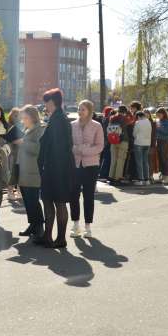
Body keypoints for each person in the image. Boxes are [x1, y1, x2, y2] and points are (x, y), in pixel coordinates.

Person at [37, 88, 74, 248]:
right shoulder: (58, 118)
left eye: (46, 103)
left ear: (52, 103)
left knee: (56, 202)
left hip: (56, 169)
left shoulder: (58, 120)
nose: (45, 106)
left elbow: (57, 147)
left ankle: (59, 238)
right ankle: (49, 236)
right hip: (58, 168)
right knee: (52, 201)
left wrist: (48, 167)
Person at [69, 100, 103, 237]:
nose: (80, 111)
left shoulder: (97, 126)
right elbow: (68, 144)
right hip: (75, 165)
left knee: (88, 196)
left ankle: (88, 226)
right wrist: (76, 149)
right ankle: (76, 224)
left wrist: (83, 150)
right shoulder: (72, 125)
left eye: (83, 109)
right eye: (79, 109)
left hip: (91, 165)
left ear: (89, 110)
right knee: (73, 195)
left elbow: (100, 146)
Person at [17, 105, 45, 239]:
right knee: (27, 201)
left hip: (33, 172)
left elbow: (39, 149)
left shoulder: (40, 129)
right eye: (22, 118)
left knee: (33, 201)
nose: (23, 120)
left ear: (33, 117)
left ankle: (39, 227)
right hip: (23, 171)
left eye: (25, 117)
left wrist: (23, 143)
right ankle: (32, 224)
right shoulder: (27, 129)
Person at [106, 105, 133, 184]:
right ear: (125, 112)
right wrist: (129, 113)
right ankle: (117, 177)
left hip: (113, 140)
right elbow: (132, 120)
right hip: (123, 141)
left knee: (113, 159)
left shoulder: (112, 118)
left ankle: (111, 176)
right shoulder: (125, 119)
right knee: (120, 159)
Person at [132, 111, 152, 185]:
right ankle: (147, 180)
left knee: (139, 162)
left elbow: (134, 134)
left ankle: (140, 179)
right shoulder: (149, 122)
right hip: (147, 143)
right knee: (145, 162)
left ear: (138, 116)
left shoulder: (138, 122)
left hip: (139, 143)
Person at [155, 108, 168, 184]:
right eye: (157, 115)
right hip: (159, 141)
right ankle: (163, 176)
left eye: (159, 114)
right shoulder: (159, 121)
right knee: (160, 159)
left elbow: (167, 132)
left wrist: (158, 127)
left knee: (165, 159)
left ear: (163, 114)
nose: (158, 116)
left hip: (166, 142)